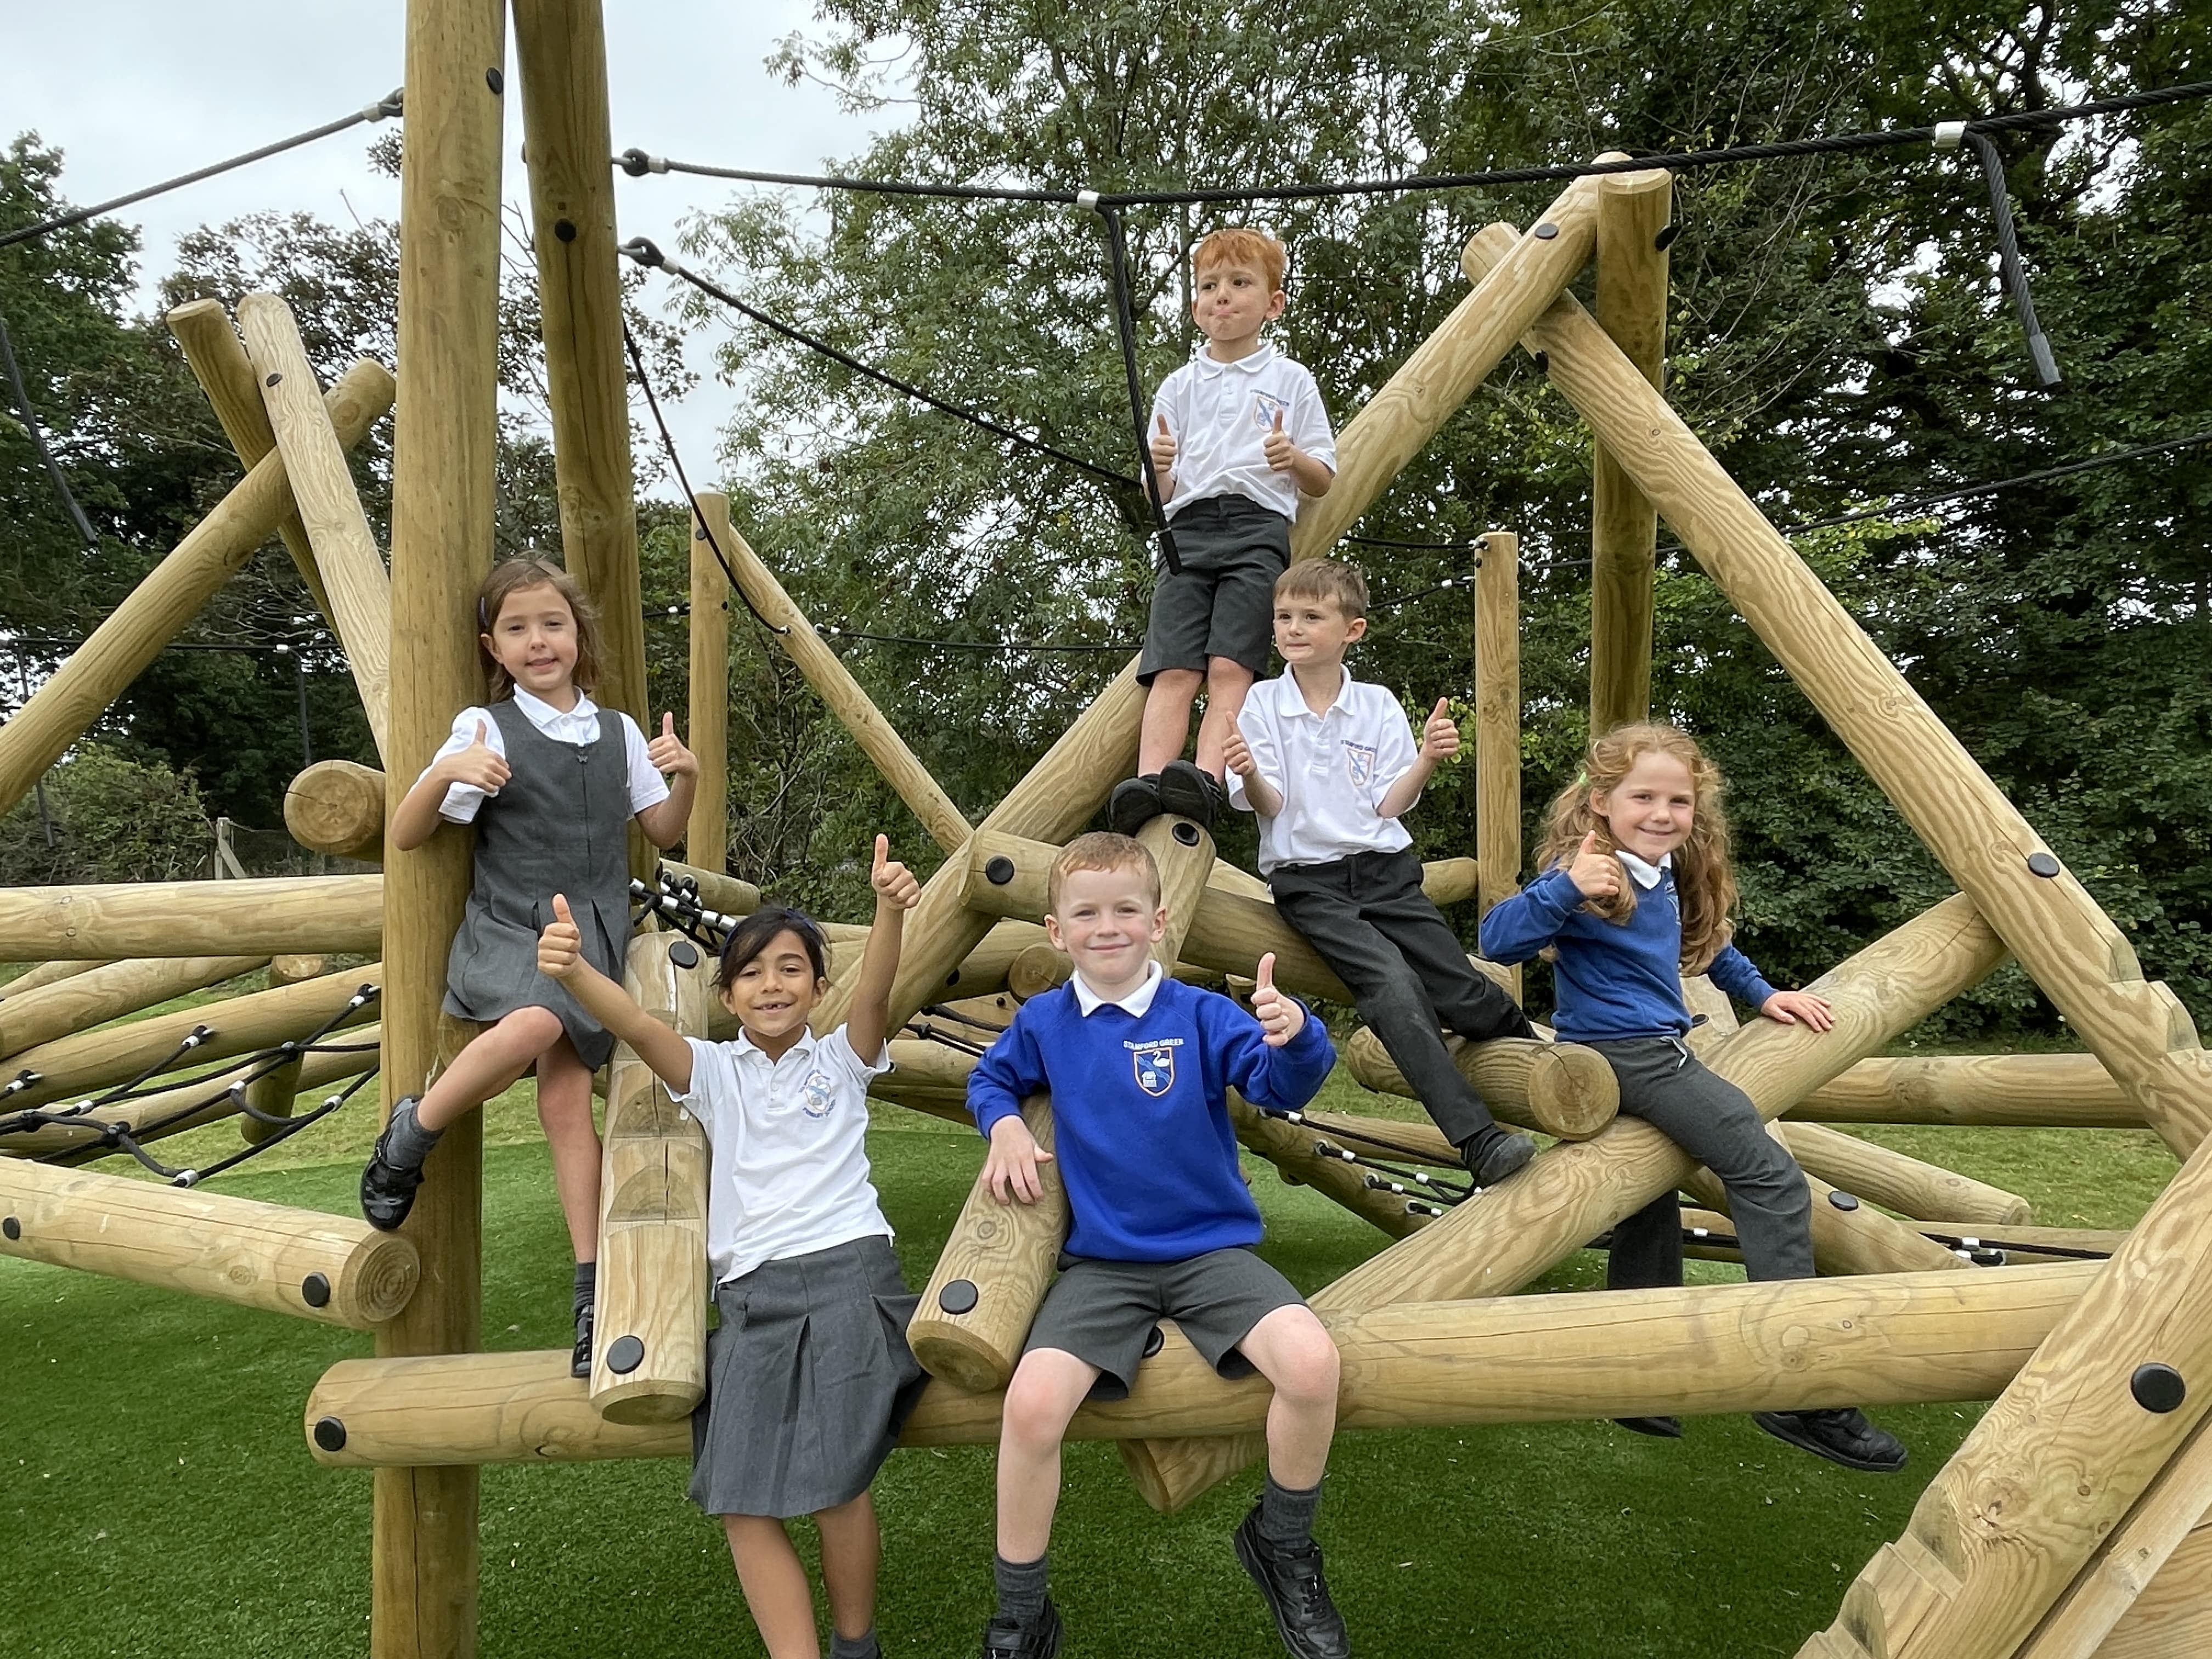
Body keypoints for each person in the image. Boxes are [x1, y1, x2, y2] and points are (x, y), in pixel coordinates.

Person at [535, 837, 929, 1659]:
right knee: (741, 1499)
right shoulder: (714, 1073)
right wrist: (574, 975)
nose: (772, 984)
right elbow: (640, 1023)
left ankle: (858, 1645)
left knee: (836, 1487)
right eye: (751, 972)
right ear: (727, 994)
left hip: (851, 1279)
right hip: (753, 1298)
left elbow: (879, 991)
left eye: (791, 968)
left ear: (819, 987)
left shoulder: (843, 1062)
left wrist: (891, 911)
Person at [1478, 723, 1909, 1472]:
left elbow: (1709, 947)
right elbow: (1498, 938)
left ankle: (1639, 1378)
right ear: (1603, 802)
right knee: (1771, 1178)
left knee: (1647, 1202)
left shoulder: (1666, 872)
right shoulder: (1592, 873)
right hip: (1628, 1057)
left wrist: (1762, 992)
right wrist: (1564, 886)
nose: (1662, 812)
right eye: (1643, 796)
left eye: (1678, 800)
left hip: (1648, 1052)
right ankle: (1797, 1387)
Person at [969, 831, 1350, 1659]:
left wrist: (1296, 1034)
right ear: (1055, 929)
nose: (1107, 927)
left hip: (1211, 1254)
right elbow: (990, 1077)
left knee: (1314, 1365)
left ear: (1159, 920)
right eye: (1086, 913)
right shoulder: (1045, 1022)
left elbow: (1278, 1086)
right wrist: (1001, 1125)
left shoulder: (1203, 1015)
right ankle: (1020, 1612)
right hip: (1104, 1264)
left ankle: (1282, 1544)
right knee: (1032, 1406)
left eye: (1126, 910)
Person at [358, 556, 697, 1378]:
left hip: (592, 935)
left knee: (567, 1100)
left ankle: (590, 1290)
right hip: (511, 928)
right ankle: (415, 1131)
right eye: (517, 628)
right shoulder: (485, 727)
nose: (538, 640)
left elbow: (661, 834)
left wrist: (687, 777)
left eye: (553, 624)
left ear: (578, 636)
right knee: (542, 1018)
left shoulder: (616, 732)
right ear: (493, 646)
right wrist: (444, 772)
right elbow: (405, 838)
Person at [1224, 558, 1539, 1187]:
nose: (1292, 628)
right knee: (1393, 988)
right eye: (1284, 617)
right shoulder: (1262, 703)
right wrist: (1250, 772)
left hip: (1387, 872)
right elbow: (1273, 805)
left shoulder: (1376, 704)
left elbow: (1388, 805)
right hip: (1309, 882)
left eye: (1312, 616)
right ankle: (1477, 1141)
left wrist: (1425, 758)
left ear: (1353, 631)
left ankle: (1542, 1063)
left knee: (1467, 994)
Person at [1109, 225, 1336, 837]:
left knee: (1230, 666)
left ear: (1274, 302)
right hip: (1187, 529)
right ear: (1194, 308)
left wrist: (1294, 458)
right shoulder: (1179, 386)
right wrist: (1157, 472)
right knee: (1173, 667)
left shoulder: (1290, 380)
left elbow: (1323, 478)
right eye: (1210, 286)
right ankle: (1151, 778)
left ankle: (1204, 778)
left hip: (1257, 526)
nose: (1223, 297)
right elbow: (1157, 495)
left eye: (1240, 284)